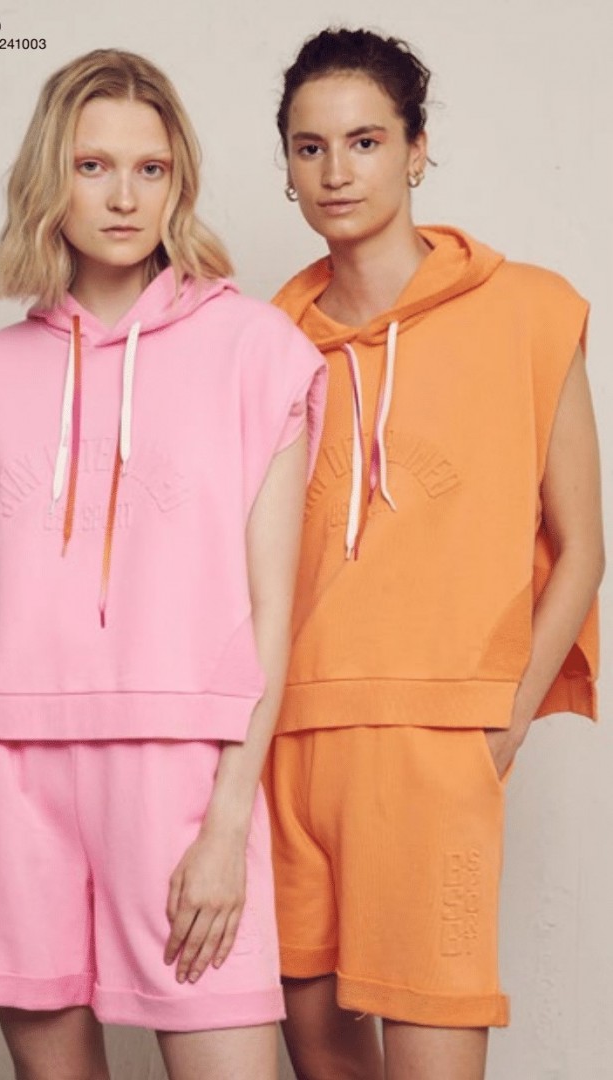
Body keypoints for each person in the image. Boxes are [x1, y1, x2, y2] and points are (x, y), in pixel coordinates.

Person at [0, 48, 326, 1080]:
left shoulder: (256, 351)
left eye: (150, 168)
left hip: (179, 770)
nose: (124, 197)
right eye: (93, 167)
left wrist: (228, 819)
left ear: (179, 182)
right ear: (52, 178)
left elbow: (273, 609)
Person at [264, 27, 603, 1080]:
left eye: (364, 141)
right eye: (310, 147)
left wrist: (502, 722)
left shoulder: (530, 310)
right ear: (286, 166)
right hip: (284, 738)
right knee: (317, 1053)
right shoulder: (265, 341)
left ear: (416, 150)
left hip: (435, 738)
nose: (336, 171)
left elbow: (582, 546)